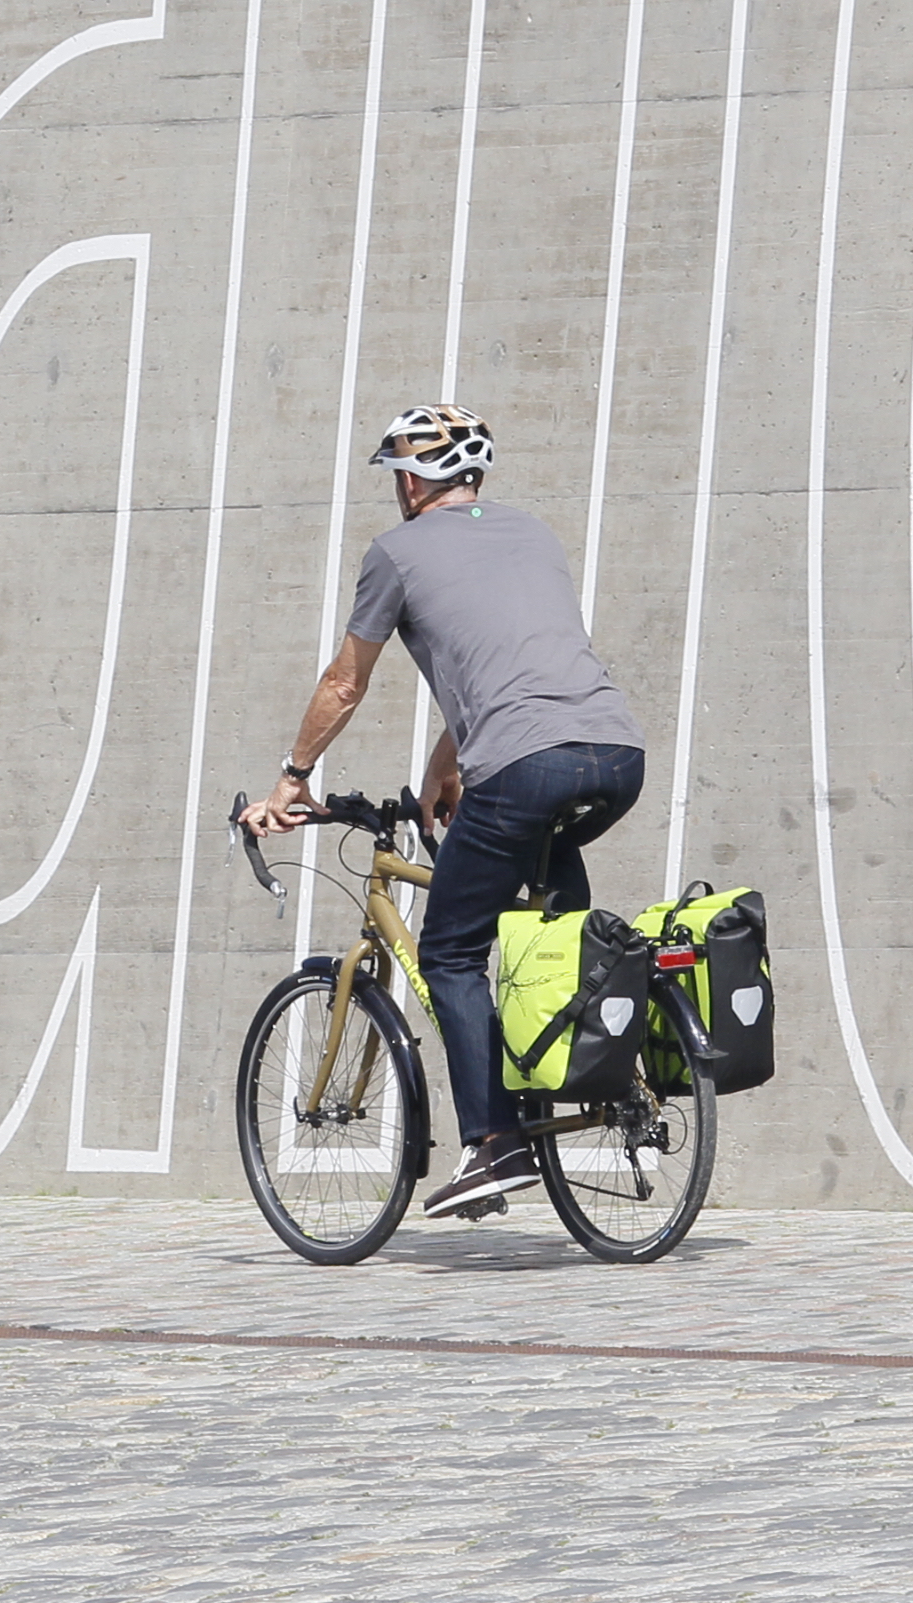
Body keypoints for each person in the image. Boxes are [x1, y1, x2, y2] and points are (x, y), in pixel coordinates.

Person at [241, 403, 649, 1220]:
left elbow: (344, 683)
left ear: (415, 477)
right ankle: (608, 1092)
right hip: (616, 755)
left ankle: (493, 1143)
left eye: (398, 470)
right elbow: (505, 666)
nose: (395, 486)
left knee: (453, 953)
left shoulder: (395, 552)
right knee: (554, 940)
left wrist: (291, 778)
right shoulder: (533, 534)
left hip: (525, 768)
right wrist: (444, 769)